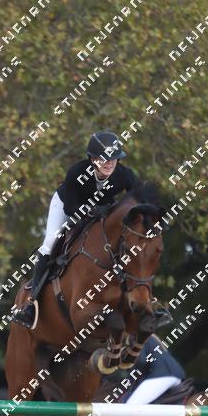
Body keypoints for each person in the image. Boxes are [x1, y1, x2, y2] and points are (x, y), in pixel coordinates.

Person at [11, 130, 143, 329]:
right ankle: (31, 305)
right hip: (66, 206)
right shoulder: (77, 173)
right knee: (50, 243)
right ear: (92, 159)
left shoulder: (124, 175)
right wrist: (93, 212)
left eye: (114, 158)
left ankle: (143, 300)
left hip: (101, 211)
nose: (109, 163)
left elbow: (138, 197)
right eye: (104, 159)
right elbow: (70, 208)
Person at [124, 334, 186, 416]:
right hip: (174, 374)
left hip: (162, 375)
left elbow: (141, 361)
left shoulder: (136, 336)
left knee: (132, 405)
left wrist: (129, 373)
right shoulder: (149, 336)